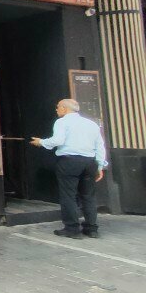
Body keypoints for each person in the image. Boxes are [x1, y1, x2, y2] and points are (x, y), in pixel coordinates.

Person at [30, 98, 107, 239]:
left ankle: (72, 229)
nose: (56, 109)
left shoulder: (62, 122)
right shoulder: (91, 124)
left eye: (58, 107)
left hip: (69, 161)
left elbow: (58, 140)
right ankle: (92, 229)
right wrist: (100, 165)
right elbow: (100, 146)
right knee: (88, 196)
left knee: (68, 195)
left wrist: (41, 142)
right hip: (89, 162)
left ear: (64, 109)